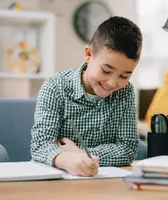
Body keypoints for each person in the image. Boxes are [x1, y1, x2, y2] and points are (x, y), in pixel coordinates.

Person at [30, 16, 143, 177]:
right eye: (106, 70)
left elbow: (128, 148)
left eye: (124, 76)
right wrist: (67, 159)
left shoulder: (125, 92)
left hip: (103, 183)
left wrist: (81, 153)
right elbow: (40, 145)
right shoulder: (56, 86)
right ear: (88, 54)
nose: (112, 82)